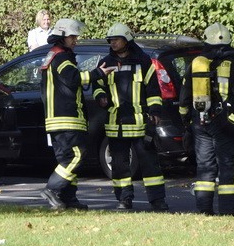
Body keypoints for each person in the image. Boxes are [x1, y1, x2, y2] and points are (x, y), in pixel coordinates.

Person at [178, 23, 234, 216]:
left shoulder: (195, 64)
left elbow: (184, 95)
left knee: (205, 166)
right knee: (227, 166)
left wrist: (185, 119)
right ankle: (228, 211)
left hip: (200, 122)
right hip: (226, 124)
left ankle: (204, 210)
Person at [92, 23, 170, 211]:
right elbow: (97, 86)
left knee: (150, 165)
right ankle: (124, 199)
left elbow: (153, 90)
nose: (113, 43)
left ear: (127, 40)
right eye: (111, 40)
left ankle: (157, 200)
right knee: (119, 166)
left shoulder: (143, 62)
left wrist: (155, 112)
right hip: (116, 123)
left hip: (141, 123)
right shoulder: (105, 63)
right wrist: (101, 97)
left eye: (116, 40)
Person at [39, 18, 92, 210]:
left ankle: (68, 198)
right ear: (62, 37)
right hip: (68, 118)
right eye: (72, 37)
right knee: (77, 155)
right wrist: (99, 73)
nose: (75, 40)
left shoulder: (53, 55)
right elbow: (74, 79)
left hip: (56, 119)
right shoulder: (62, 57)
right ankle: (52, 189)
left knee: (65, 159)